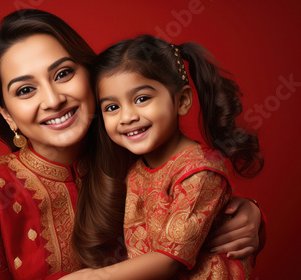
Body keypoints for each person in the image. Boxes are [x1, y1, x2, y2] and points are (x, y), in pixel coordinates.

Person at [0, 10, 265, 279]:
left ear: (93, 77)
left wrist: (247, 216)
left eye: (63, 74)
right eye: (26, 90)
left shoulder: (134, 157)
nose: (54, 99)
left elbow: (195, 204)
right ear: (6, 114)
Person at [66, 35, 264, 279]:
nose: (127, 117)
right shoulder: (135, 168)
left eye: (142, 99)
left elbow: (170, 260)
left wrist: (93, 277)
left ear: (181, 101)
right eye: (112, 107)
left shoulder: (199, 172)